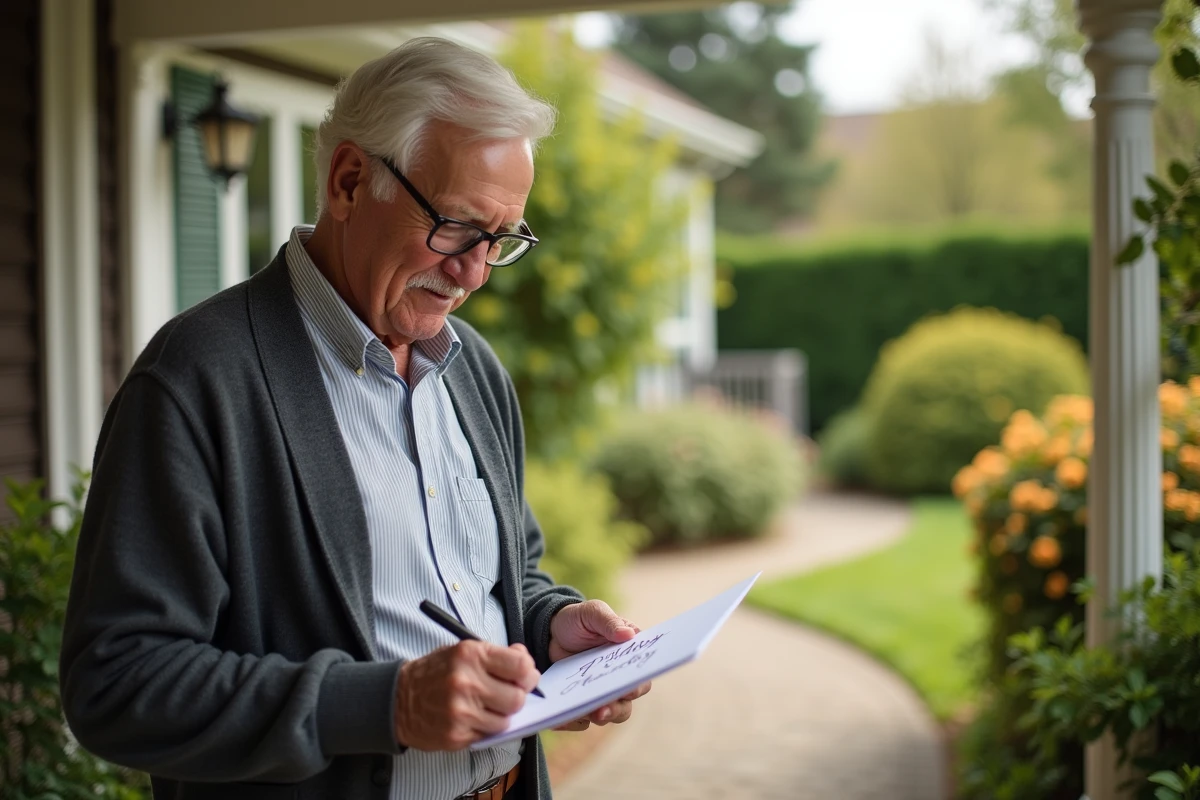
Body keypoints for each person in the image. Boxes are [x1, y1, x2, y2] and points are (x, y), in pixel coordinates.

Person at [60, 37, 650, 800]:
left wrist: (552, 625)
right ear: (348, 181)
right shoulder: (197, 380)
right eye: (458, 228)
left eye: (500, 240)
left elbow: (505, 577)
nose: (474, 273)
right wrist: (387, 705)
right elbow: (117, 685)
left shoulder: (473, 371)